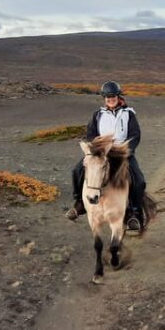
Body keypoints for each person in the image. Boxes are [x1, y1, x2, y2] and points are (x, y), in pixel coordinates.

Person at [65, 81, 147, 231]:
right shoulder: (98, 115)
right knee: (77, 171)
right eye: (107, 96)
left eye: (113, 96)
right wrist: (93, 150)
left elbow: (135, 134)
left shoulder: (128, 114)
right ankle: (79, 204)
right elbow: (91, 134)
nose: (110, 99)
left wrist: (128, 150)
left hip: (122, 153)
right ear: (104, 98)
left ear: (118, 96)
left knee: (139, 180)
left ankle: (134, 213)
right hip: (101, 153)